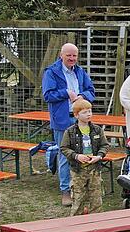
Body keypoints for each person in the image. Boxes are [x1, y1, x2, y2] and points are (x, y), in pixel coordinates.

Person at [42, 42, 96, 207]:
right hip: (62, 120)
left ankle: (81, 187)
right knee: (66, 155)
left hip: (81, 119)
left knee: (84, 152)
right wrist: (66, 93)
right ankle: (66, 191)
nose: (72, 58)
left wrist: (81, 96)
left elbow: (91, 91)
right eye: (69, 55)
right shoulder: (51, 72)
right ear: (61, 55)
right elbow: (47, 95)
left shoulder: (80, 72)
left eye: (74, 56)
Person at [59, 99, 109, 216]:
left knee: (96, 198)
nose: (89, 114)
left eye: (90, 111)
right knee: (78, 198)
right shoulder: (70, 132)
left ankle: (96, 222)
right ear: (76, 115)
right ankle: (76, 223)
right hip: (78, 170)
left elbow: (104, 145)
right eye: (85, 112)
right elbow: (64, 148)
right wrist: (76, 156)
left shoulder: (97, 130)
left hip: (94, 169)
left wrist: (99, 156)